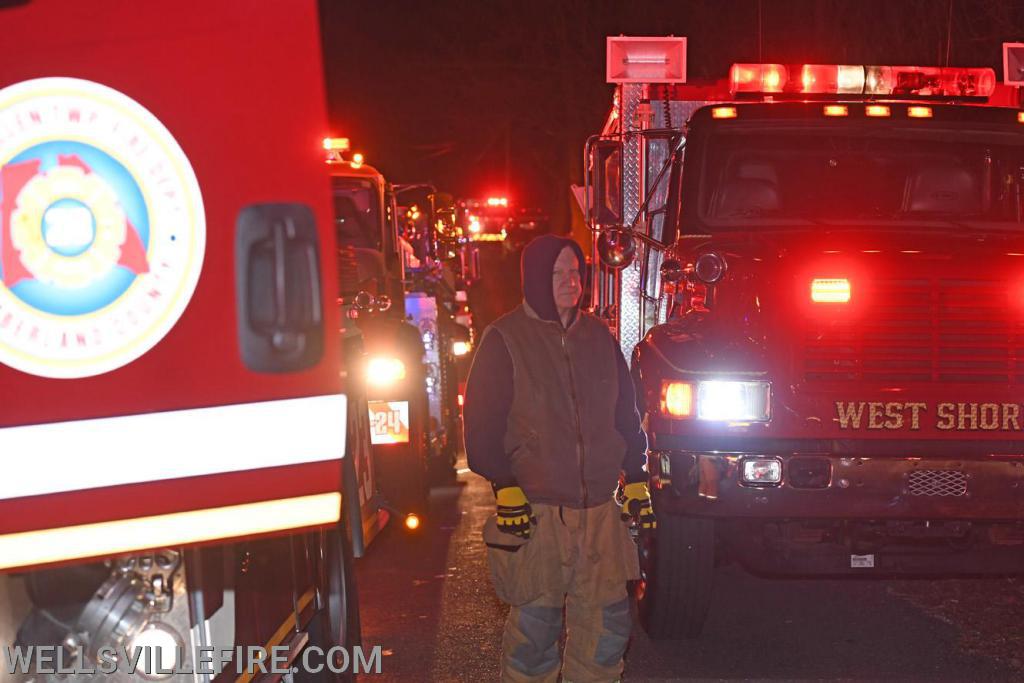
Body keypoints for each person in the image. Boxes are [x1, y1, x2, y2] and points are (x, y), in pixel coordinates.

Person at [465, 234, 655, 683]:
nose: (571, 282)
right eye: (558, 273)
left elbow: (625, 416)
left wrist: (637, 477)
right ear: (534, 279)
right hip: (540, 513)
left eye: (576, 272)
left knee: (606, 630)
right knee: (535, 631)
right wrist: (504, 483)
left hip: (600, 517)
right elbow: (481, 424)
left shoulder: (599, 338)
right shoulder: (505, 340)